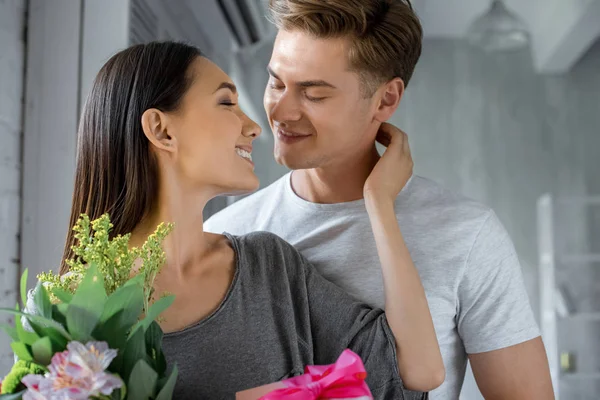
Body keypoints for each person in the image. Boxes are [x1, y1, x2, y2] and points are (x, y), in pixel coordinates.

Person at [53, 41, 444, 399]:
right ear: (161, 129)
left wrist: (377, 201)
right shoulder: (69, 307)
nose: (255, 126)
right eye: (226, 103)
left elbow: (418, 372)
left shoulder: (269, 266)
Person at [204, 0, 555, 399]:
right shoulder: (224, 235)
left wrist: (378, 203)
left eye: (314, 94)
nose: (281, 111)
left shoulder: (466, 236)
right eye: (276, 83)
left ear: (386, 100)